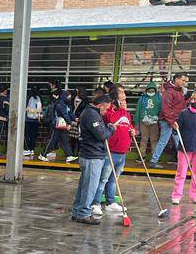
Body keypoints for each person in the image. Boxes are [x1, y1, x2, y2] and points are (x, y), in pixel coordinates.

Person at [71, 93, 122, 224]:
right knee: (90, 187)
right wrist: (111, 129)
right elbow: (101, 134)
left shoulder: (89, 113)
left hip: (89, 154)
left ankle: (78, 211)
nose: (106, 112)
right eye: (106, 109)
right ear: (100, 105)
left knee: (84, 186)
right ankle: (83, 213)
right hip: (91, 155)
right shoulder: (92, 115)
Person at [91, 84, 132, 216]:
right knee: (103, 178)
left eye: (125, 100)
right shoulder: (109, 113)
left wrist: (132, 130)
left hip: (123, 151)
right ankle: (95, 203)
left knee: (114, 179)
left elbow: (128, 125)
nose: (124, 102)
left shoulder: (126, 113)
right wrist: (118, 110)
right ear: (114, 100)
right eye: (122, 99)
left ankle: (110, 202)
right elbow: (110, 123)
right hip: (111, 150)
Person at [151, 72, 188, 167]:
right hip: (168, 120)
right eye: (183, 80)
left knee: (178, 142)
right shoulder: (169, 91)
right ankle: (154, 161)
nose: (184, 83)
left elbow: (179, 106)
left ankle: (184, 162)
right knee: (165, 141)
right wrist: (172, 122)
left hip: (174, 120)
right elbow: (166, 108)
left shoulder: (179, 91)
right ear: (176, 79)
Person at [39, 88, 76, 162]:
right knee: (52, 140)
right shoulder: (60, 104)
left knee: (64, 140)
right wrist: (69, 122)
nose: (69, 97)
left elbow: (69, 113)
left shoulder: (64, 104)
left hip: (60, 125)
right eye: (68, 96)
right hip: (57, 125)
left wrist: (73, 119)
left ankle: (69, 155)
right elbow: (64, 114)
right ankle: (43, 154)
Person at [135, 81, 162, 157]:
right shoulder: (142, 98)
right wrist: (137, 124)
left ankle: (154, 156)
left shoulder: (159, 98)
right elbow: (138, 111)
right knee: (144, 139)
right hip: (143, 122)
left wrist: (159, 120)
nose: (151, 92)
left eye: (152, 91)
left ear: (155, 90)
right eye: (149, 91)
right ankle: (142, 155)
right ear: (146, 90)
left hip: (155, 122)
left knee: (154, 139)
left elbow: (161, 110)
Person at [23, 87, 42, 158]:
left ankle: (27, 148)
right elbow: (40, 109)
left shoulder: (28, 98)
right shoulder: (39, 98)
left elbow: (25, 108)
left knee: (27, 134)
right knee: (34, 135)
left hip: (28, 119)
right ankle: (32, 149)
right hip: (35, 120)